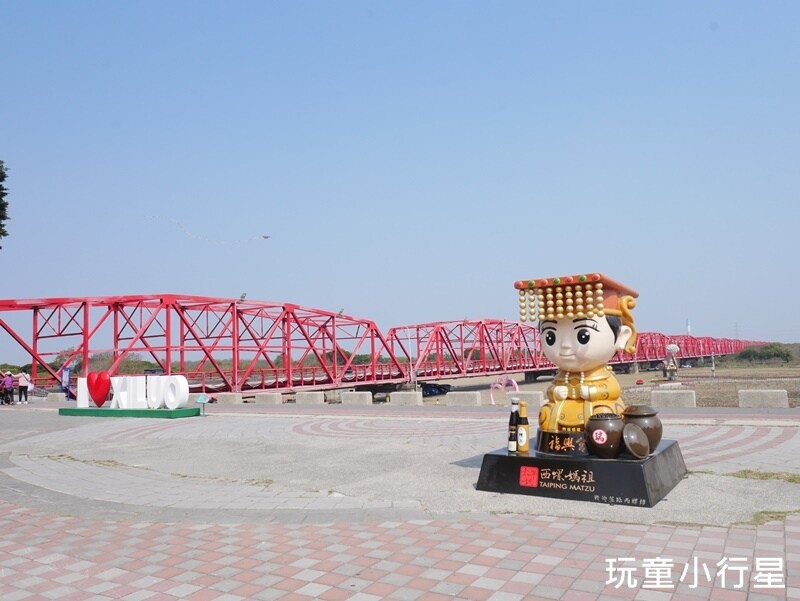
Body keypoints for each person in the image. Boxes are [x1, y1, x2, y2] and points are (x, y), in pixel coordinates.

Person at [514, 273, 639, 455]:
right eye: (551, 336)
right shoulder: (561, 376)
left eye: (583, 335)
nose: (564, 346)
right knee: (547, 410)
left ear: (621, 337)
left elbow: (612, 389)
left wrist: (594, 392)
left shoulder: (601, 374)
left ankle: (600, 443)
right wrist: (556, 392)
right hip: (562, 418)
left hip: (594, 413)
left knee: (604, 413)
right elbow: (551, 390)